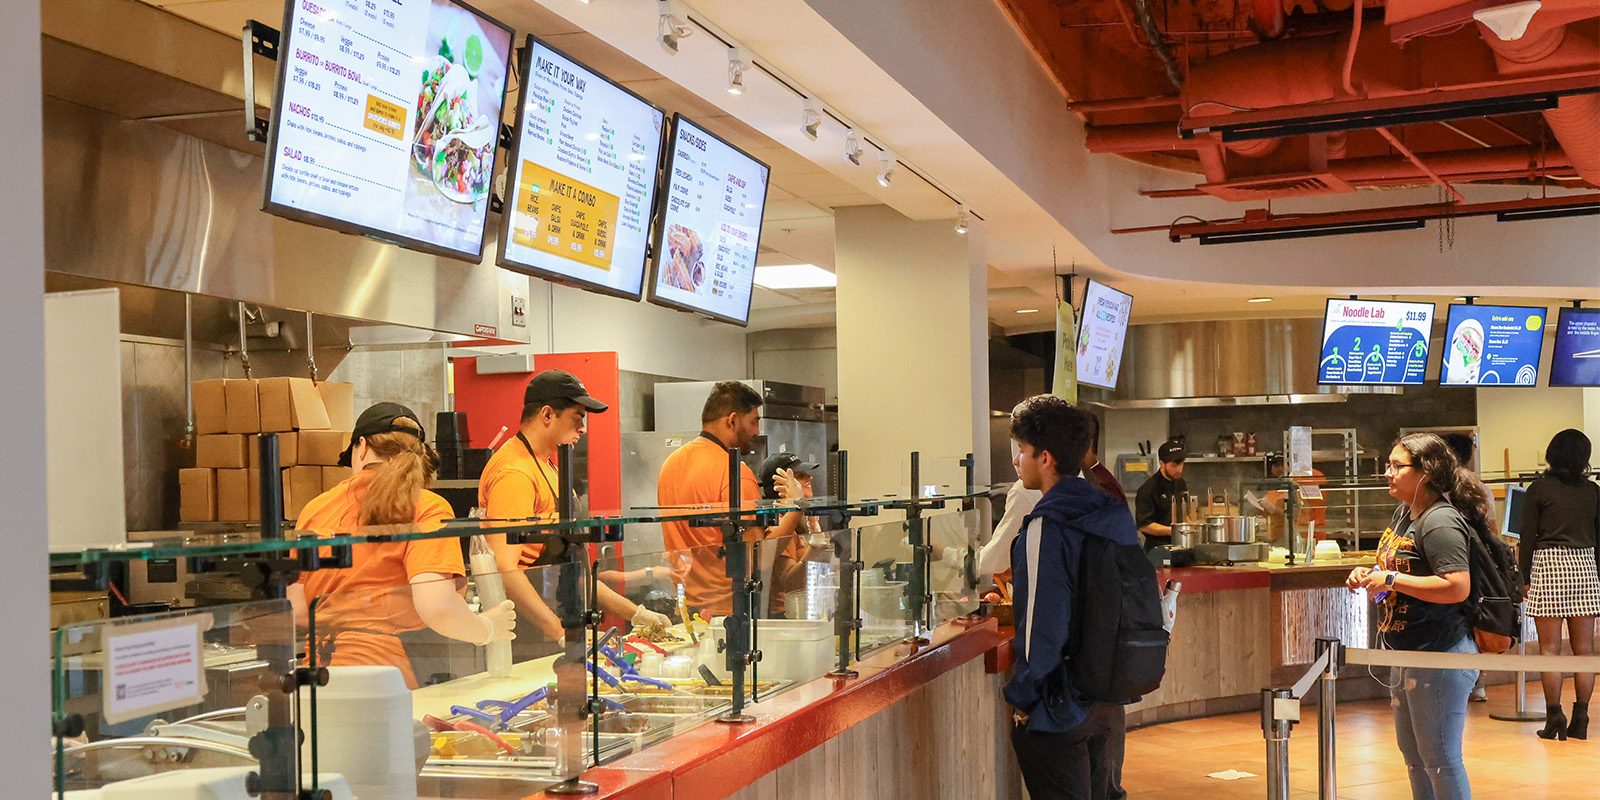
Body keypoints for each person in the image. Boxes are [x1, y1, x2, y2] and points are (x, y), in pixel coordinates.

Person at [290, 403, 516, 689]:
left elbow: (298, 610)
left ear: (361, 448)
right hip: (385, 678)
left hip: (317, 680)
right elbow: (437, 607)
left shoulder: (315, 508)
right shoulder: (427, 506)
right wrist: (486, 628)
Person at [478, 371, 670, 657]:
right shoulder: (514, 472)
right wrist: (558, 632)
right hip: (526, 637)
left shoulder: (547, 464)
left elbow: (573, 572)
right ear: (547, 414)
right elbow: (505, 570)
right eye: (577, 417)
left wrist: (636, 613)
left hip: (556, 624)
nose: (583, 428)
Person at [1004, 395, 1139, 800]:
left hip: (1060, 706)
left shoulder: (1045, 526)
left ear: (1044, 458)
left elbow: (1041, 624)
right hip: (1109, 696)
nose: (1016, 461)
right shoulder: (1112, 514)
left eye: (1021, 451)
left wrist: (1024, 697)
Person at [1346, 433, 1484, 800]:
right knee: (1415, 757)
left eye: (1396, 466)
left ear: (1426, 472)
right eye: (1387, 465)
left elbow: (1457, 586)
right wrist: (1369, 574)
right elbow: (1396, 568)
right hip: (1406, 652)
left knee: (1440, 759)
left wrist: (1391, 578)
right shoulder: (1404, 513)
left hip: (1439, 652)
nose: (1387, 473)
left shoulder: (1440, 521)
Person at [658, 381, 802, 617]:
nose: (757, 431)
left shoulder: (670, 464)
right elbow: (757, 558)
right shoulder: (735, 472)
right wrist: (796, 508)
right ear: (732, 420)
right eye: (754, 421)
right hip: (731, 613)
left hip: (687, 610)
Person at [1519, 428, 1600, 740]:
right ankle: (1581, 717)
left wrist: (1522, 579)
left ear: (1552, 454)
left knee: (1549, 650)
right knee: (1585, 650)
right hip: (1584, 566)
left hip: (1549, 565)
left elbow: (1527, 539)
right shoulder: (1593, 492)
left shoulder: (1538, 489)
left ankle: (1554, 717)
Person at [757, 452, 822, 617]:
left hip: (794, 610)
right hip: (779, 617)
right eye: (800, 475)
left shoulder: (790, 523)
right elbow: (792, 582)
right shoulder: (778, 523)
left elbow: (814, 570)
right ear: (779, 485)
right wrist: (816, 543)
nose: (810, 477)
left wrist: (816, 532)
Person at [1133, 441, 1187, 551]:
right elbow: (1144, 525)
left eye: (1181, 464)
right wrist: (1175, 531)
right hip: (1157, 548)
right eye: (1174, 465)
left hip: (1180, 544)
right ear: (1162, 463)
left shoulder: (1181, 484)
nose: (1179, 469)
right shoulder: (1148, 489)